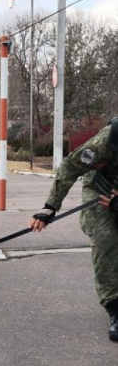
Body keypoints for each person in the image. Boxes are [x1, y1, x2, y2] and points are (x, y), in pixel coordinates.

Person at [29, 119, 118, 342]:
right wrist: (50, 207)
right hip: (100, 189)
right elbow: (70, 167)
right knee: (105, 237)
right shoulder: (106, 142)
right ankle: (115, 307)